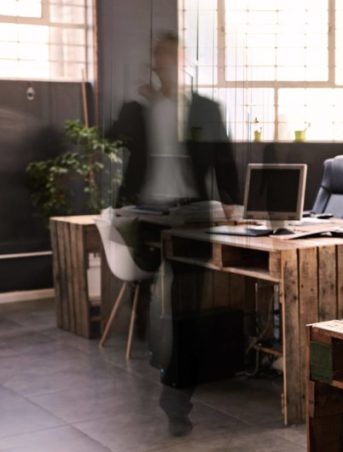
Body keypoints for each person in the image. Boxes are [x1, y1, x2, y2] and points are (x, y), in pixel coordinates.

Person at [107, 32, 240, 437]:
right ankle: (164, 352)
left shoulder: (204, 108)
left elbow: (224, 160)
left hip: (190, 213)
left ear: (181, 61)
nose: (163, 63)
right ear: (153, 62)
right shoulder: (141, 107)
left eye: (170, 56)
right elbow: (111, 137)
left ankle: (176, 389)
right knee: (158, 297)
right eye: (158, 57)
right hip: (146, 214)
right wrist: (136, 106)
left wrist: (233, 204)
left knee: (184, 303)